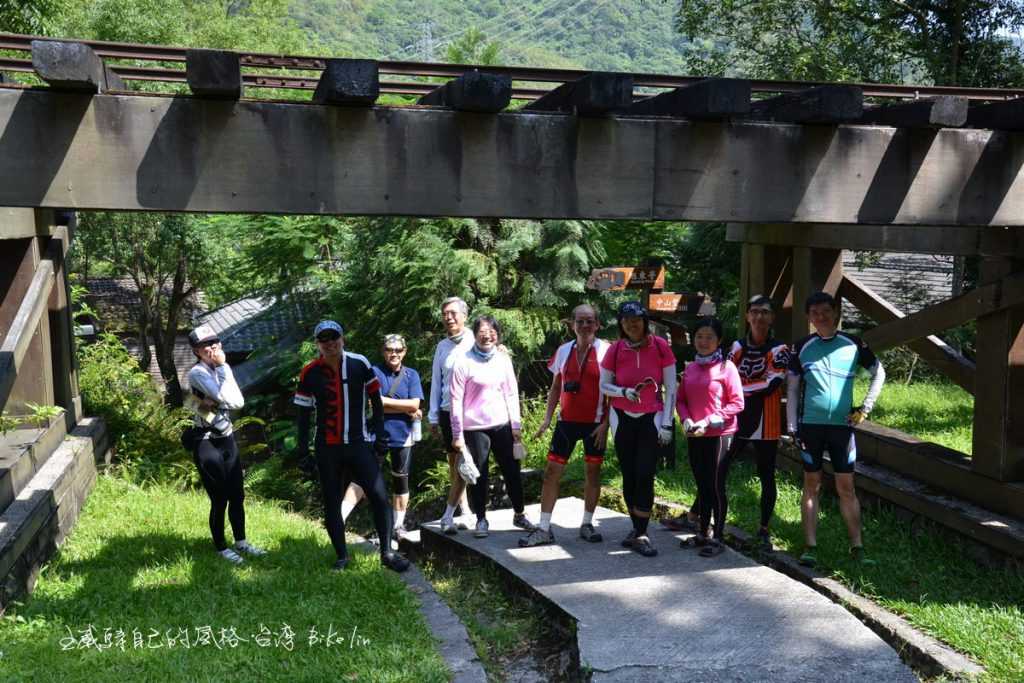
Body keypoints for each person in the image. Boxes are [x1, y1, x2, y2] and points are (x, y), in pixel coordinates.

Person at [294, 320, 410, 573]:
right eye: (324, 339)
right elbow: (302, 416)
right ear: (318, 344)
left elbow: (376, 402)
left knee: (379, 496)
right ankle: (342, 556)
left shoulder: (360, 364)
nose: (330, 343)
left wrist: (381, 435)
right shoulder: (310, 372)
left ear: (342, 338)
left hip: (359, 443)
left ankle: (387, 553)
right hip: (327, 447)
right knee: (332, 502)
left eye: (334, 337)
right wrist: (302, 452)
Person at [787, 292, 886, 567]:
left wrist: (865, 407)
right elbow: (793, 389)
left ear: (836, 312)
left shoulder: (852, 343)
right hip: (810, 427)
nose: (820, 316)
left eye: (826, 310)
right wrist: (792, 426)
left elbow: (880, 371)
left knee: (846, 488)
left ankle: (857, 547)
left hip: (842, 428)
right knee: (811, 485)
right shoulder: (802, 346)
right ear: (808, 317)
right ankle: (810, 546)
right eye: (814, 312)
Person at [521, 304, 610, 547]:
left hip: (595, 424)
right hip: (566, 423)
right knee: (551, 473)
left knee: (592, 473)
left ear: (597, 324)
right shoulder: (563, 351)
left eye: (589, 321)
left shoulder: (606, 351)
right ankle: (544, 528)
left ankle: (587, 523)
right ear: (572, 325)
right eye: (579, 321)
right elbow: (556, 387)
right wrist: (547, 418)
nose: (584, 325)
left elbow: (613, 392)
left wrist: (606, 424)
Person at [599, 301, 677, 557]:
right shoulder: (615, 349)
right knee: (629, 473)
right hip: (621, 417)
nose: (632, 324)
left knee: (645, 472)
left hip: (651, 417)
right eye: (626, 320)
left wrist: (667, 423)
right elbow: (604, 386)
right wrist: (623, 391)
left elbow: (671, 389)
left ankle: (642, 532)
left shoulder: (661, 346)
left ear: (645, 321)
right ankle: (635, 529)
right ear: (621, 324)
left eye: (636, 320)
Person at [448, 315, 536, 538]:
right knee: (479, 474)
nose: (487, 335)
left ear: (497, 333)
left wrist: (515, 424)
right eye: (482, 331)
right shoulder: (463, 361)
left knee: (512, 470)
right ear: (475, 334)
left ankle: (519, 514)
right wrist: (457, 434)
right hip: (474, 427)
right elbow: (455, 400)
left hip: (502, 425)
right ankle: (481, 519)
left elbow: (511, 392)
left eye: (492, 330)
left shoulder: (503, 359)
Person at [185, 325, 266, 565]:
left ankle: (241, 542)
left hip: (226, 438)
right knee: (219, 497)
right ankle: (221, 547)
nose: (213, 348)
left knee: (237, 495)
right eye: (206, 345)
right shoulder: (197, 373)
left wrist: (217, 391)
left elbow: (230, 401)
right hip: (206, 441)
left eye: (215, 342)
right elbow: (234, 400)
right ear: (197, 351)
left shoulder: (217, 370)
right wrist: (222, 367)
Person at [718, 295, 790, 551]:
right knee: (720, 466)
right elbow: (722, 377)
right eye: (755, 312)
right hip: (735, 418)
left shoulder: (780, 349)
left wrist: (740, 387)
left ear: (771, 318)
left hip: (766, 421)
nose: (759, 317)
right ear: (748, 316)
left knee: (766, 474)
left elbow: (773, 384)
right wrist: (741, 389)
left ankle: (764, 529)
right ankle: (700, 514)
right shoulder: (736, 346)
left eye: (765, 312)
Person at [338, 334, 424, 544]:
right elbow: (371, 403)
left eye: (398, 350)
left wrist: (384, 402)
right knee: (361, 479)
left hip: (403, 436)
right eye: (389, 349)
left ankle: (397, 527)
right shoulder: (374, 372)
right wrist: (404, 405)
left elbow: (415, 405)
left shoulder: (411, 375)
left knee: (400, 481)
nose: (393, 353)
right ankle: (338, 521)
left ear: (404, 352)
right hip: (374, 434)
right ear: (382, 351)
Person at [676, 318, 744, 558]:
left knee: (715, 485)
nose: (703, 342)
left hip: (719, 434)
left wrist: (709, 420)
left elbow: (737, 402)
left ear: (719, 341)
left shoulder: (727, 368)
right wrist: (686, 419)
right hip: (695, 434)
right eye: (699, 337)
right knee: (702, 483)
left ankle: (718, 537)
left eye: (709, 337)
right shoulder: (691, 368)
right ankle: (702, 532)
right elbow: (681, 399)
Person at [429, 297, 475, 532]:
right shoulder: (441, 347)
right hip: (448, 411)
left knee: (469, 460)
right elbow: (437, 382)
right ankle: (464, 510)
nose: (448, 318)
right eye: (445, 313)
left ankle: (469, 511)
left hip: (472, 411)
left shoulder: (475, 340)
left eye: (453, 313)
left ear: (465, 316)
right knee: (454, 462)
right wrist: (433, 416)